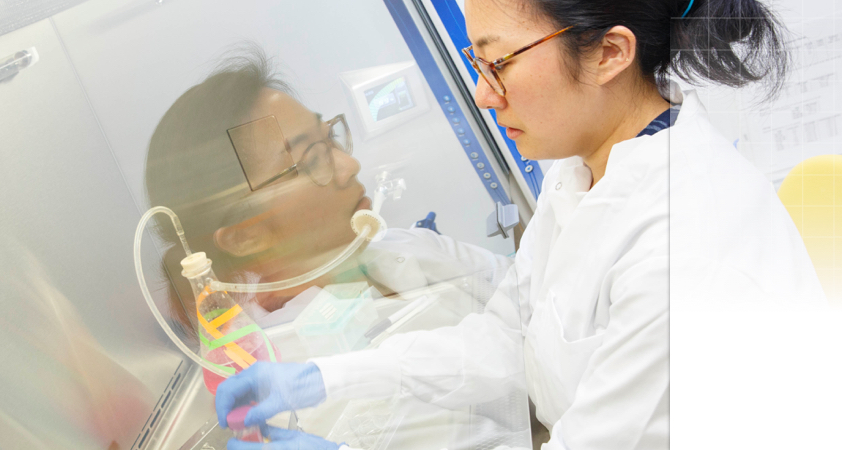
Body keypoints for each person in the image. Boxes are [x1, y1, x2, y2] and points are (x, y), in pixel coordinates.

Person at [214, 0, 824, 449]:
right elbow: (510, 336)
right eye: (474, 61)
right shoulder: (581, 171)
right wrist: (324, 377)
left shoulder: (683, 248)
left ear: (610, 53)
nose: (483, 94)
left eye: (497, 62)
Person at [145, 48, 511, 334]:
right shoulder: (294, 360)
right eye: (313, 159)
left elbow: (538, 293)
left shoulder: (406, 246)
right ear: (246, 237)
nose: (349, 166)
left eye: (331, 138)